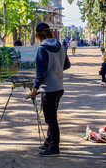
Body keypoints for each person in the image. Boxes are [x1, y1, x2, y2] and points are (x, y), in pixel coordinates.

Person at [30, 23, 71, 156]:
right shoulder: (61, 46)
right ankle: (48, 143)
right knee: (51, 117)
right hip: (59, 87)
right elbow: (67, 65)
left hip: (48, 89)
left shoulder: (42, 49)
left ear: (39, 35)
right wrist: (56, 70)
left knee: (51, 119)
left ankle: (54, 147)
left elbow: (40, 73)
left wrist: (34, 89)